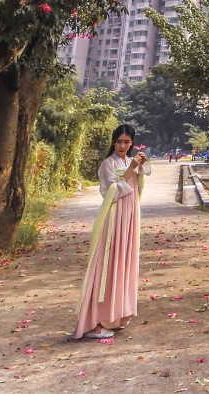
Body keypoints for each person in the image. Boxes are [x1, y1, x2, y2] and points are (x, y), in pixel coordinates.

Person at [73, 124, 150, 340]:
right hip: (114, 218)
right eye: (119, 141)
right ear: (113, 142)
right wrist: (130, 169)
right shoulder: (108, 164)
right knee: (106, 265)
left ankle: (117, 316)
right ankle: (93, 324)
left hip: (130, 218)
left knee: (125, 263)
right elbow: (112, 192)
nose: (122, 146)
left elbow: (139, 184)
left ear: (132, 143)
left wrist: (138, 166)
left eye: (127, 142)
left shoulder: (130, 161)